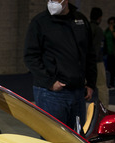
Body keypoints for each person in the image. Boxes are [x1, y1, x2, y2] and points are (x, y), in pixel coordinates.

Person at [24, 0, 97, 131]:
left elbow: (90, 53)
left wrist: (91, 83)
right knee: (53, 140)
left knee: (78, 138)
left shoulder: (80, 20)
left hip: (78, 92)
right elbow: (31, 57)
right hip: (51, 93)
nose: (53, 2)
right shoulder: (40, 22)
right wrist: (50, 82)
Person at [90, 7, 109, 107]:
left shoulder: (85, 27)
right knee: (102, 86)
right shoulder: (98, 30)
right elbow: (99, 48)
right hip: (96, 62)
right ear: (100, 18)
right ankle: (104, 108)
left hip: (83, 62)